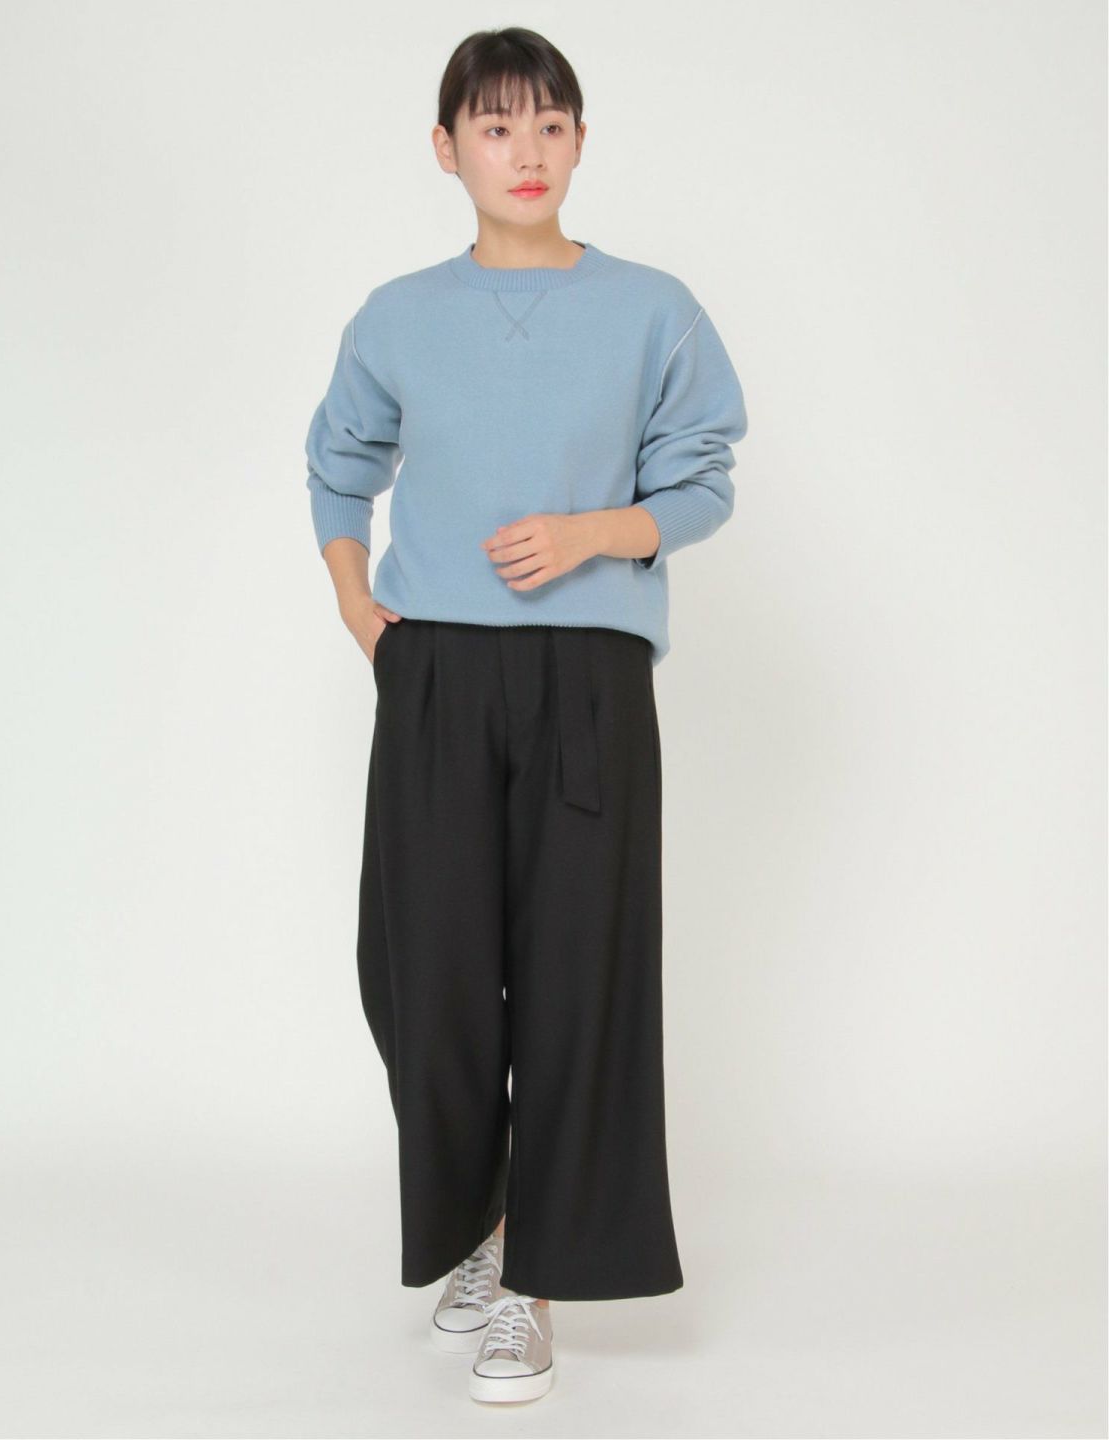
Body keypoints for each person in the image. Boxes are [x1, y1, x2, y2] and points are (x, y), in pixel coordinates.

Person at [303, 25, 748, 1406]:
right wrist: (359, 605)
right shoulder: (397, 316)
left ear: (581, 141)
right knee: (419, 975)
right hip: (434, 671)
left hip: (587, 677)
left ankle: (532, 1292)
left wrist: (591, 532)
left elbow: (703, 479)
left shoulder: (653, 309)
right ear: (447, 150)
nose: (529, 150)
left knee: (574, 976)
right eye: (497, 126)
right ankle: (490, 1223)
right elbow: (336, 467)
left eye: (552, 124)